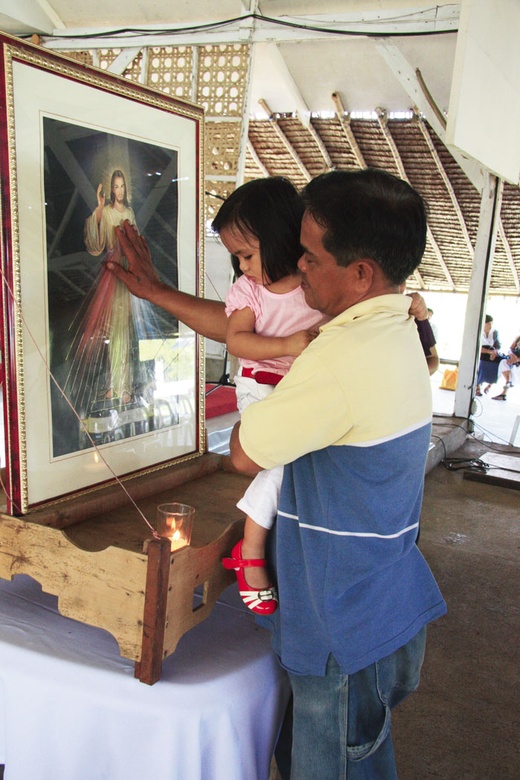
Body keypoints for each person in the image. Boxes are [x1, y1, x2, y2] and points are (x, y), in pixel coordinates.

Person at [229, 169, 446, 779]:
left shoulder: (343, 356)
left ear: (360, 274)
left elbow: (245, 453)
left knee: (335, 764)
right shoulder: (400, 323)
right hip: (378, 597)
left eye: (309, 256)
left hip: (342, 620)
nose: (297, 268)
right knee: (356, 753)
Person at [213, 177, 324, 615]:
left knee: (301, 459)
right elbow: (237, 342)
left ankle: (256, 545)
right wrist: (287, 345)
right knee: (285, 460)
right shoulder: (250, 292)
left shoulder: (316, 280)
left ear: (279, 237)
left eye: (246, 254)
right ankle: (252, 548)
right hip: (260, 386)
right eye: (237, 258)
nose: (242, 267)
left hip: (302, 391)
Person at [65, 169, 153, 411]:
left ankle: (123, 386)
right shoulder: (105, 212)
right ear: (111, 189)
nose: (120, 190)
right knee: (111, 329)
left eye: (122, 185)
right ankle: (116, 385)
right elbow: (96, 245)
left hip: (129, 274)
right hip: (113, 273)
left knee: (123, 330)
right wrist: (98, 209)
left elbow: (135, 243)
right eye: (116, 186)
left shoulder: (130, 213)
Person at [475, 314, 501, 397]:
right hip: (481, 352)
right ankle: (477, 386)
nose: (490, 325)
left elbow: (498, 345)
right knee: (481, 362)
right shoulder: (478, 331)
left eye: (491, 323)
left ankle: (490, 385)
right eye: (488, 323)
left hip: (491, 352)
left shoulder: (494, 332)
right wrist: (489, 352)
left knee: (501, 361)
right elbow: (477, 347)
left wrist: (494, 352)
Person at [492, 333, 520, 400]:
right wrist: (511, 355)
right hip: (514, 363)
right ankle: (508, 383)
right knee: (503, 362)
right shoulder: (518, 338)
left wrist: (517, 359)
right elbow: (510, 349)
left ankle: (505, 390)